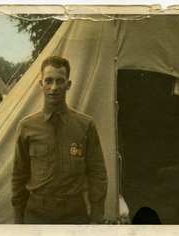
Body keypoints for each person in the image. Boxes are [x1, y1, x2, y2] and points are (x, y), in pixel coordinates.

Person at [11, 56, 108, 224]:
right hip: (36, 214)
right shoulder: (27, 126)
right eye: (48, 81)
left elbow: (97, 173)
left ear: (68, 85)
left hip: (74, 214)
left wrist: (96, 216)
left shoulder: (86, 125)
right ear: (41, 84)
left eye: (60, 81)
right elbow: (19, 175)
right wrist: (19, 219)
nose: (54, 88)